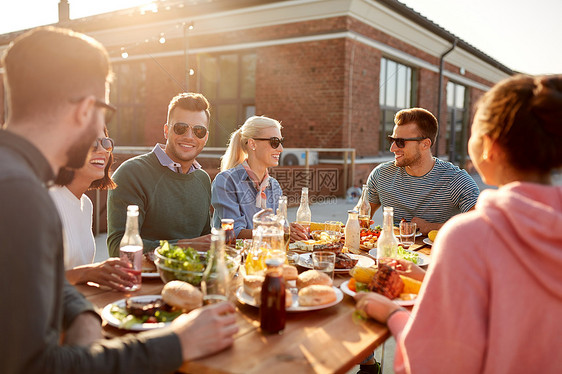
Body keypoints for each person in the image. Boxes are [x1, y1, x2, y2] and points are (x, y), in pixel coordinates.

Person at [0, 27, 237, 374]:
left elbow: (46, 283)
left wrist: (83, 316)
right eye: (105, 112)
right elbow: (35, 367)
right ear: (84, 110)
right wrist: (179, 342)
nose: (103, 130)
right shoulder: (18, 195)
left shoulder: (23, 179)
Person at [355, 74, 562, 373]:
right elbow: (508, 301)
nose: (393, 148)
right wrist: (429, 279)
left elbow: (438, 361)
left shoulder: (469, 235)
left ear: (488, 146)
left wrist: (391, 316)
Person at [107, 93, 213, 256]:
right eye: (180, 128)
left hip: (194, 279)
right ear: (166, 130)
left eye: (199, 131)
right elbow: (118, 248)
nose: (189, 136)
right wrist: (186, 246)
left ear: (205, 137)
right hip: (145, 281)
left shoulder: (203, 179)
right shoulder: (131, 173)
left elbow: (204, 243)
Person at [366, 107, 480, 234]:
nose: (392, 148)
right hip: (393, 252)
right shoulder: (381, 175)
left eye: (400, 142)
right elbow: (360, 215)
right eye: (392, 140)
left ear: (425, 144)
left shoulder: (456, 180)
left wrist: (432, 227)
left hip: (439, 252)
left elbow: (481, 225)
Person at [50, 127, 135, 290]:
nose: (102, 150)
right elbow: (31, 280)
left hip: (77, 304)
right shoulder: (47, 199)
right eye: (91, 144)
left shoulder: (86, 204)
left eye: (106, 143)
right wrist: (87, 273)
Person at [211, 116, 284, 238]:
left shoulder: (274, 185)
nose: (281, 149)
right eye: (275, 142)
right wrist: (280, 231)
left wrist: (291, 230)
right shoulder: (225, 181)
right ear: (252, 144)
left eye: (281, 142)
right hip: (234, 256)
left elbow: (278, 227)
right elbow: (234, 233)